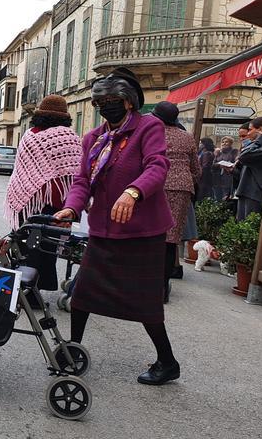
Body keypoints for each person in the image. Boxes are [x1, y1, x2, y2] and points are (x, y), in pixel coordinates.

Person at [54, 68, 180, 386]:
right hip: (103, 230)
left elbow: (157, 165)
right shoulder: (93, 139)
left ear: (128, 101)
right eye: (100, 101)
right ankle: (74, 352)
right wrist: (71, 206)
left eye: (112, 100)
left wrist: (133, 191)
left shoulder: (147, 127)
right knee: (82, 294)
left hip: (142, 232)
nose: (106, 106)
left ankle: (167, 362)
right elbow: (83, 180)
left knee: (145, 302)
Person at [4, 95, 81, 301]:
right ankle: (37, 291)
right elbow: (76, 174)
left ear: (40, 115)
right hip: (56, 206)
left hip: (27, 202)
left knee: (27, 247)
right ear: (65, 117)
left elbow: (22, 171)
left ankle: (24, 290)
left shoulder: (29, 136)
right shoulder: (70, 137)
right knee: (48, 248)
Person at [152, 102, 200, 299]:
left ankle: (144, 283)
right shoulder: (187, 138)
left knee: (149, 234)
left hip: (153, 184)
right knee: (170, 239)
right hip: (180, 189)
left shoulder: (151, 134)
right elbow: (196, 170)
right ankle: (162, 289)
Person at [235, 116, 262, 221]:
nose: (248, 133)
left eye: (251, 129)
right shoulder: (259, 145)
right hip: (246, 190)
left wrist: (258, 140)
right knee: (241, 226)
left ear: (260, 130)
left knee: (249, 224)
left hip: (255, 192)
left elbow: (244, 156)